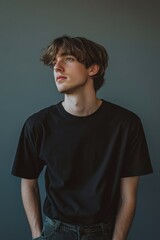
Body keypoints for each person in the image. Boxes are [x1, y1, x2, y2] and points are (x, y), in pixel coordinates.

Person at [11, 36, 153, 240]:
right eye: (54, 63)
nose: (57, 68)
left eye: (67, 59)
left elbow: (128, 196)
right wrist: (37, 235)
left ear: (92, 69)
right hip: (55, 231)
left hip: (104, 232)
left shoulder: (127, 124)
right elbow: (28, 183)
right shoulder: (37, 125)